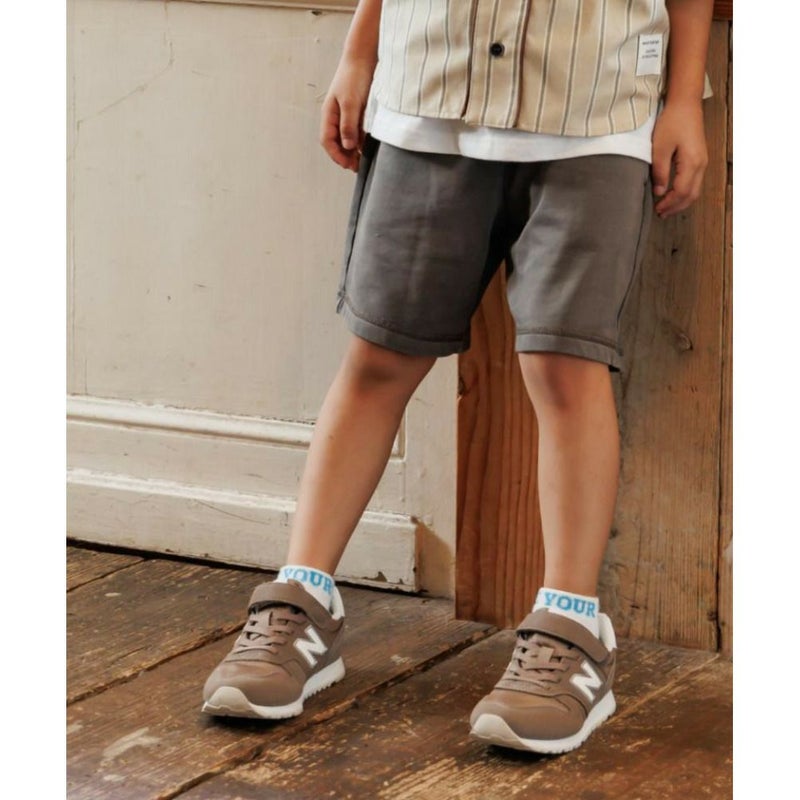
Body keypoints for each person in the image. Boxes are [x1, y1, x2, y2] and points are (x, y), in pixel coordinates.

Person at [202, 0, 713, 755]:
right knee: (379, 356)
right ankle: (301, 602)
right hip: (427, 90)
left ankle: (572, 633)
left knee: (565, 366)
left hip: (597, 106)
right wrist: (360, 51)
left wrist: (683, 98)